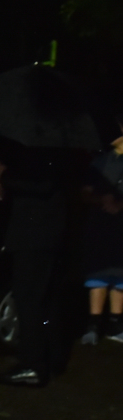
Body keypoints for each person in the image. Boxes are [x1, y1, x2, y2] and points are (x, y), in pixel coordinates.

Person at [0, 149, 69, 385]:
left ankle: (33, 364)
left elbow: (41, 185)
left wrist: (4, 176)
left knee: (29, 299)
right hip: (41, 235)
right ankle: (50, 359)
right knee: (43, 299)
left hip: (35, 237)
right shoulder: (50, 148)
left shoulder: (44, 151)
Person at [77, 115, 123, 345]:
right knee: (98, 275)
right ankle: (93, 326)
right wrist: (101, 200)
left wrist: (120, 204)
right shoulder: (101, 161)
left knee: (120, 276)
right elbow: (84, 193)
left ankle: (116, 325)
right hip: (100, 227)